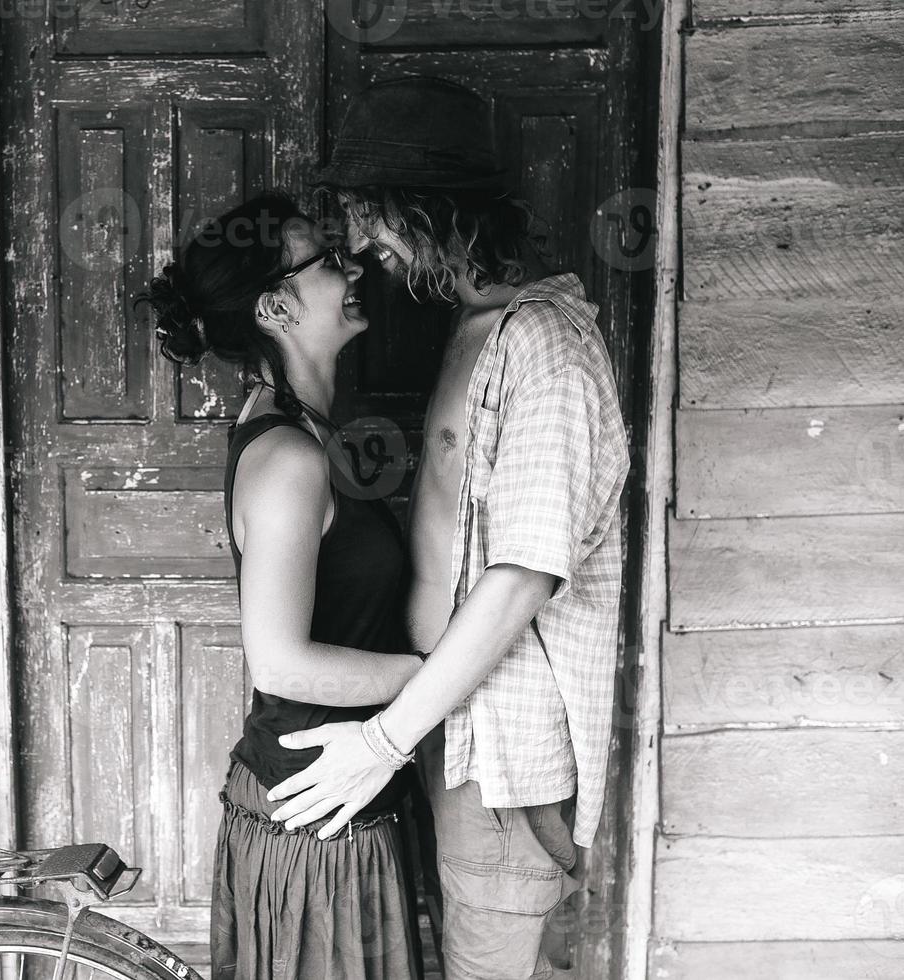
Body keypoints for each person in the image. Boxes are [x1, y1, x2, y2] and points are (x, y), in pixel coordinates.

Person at [264, 77, 631, 980]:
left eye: (370, 215)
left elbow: (522, 578)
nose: (358, 245)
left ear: (427, 213)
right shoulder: (477, 328)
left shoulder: (547, 348)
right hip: (448, 727)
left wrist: (381, 740)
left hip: (502, 754)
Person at [146, 192, 430, 980]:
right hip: (316, 816)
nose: (352, 268)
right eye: (327, 261)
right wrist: (435, 676)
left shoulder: (302, 428)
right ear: (276, 304)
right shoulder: (289, 460)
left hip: (337, 794)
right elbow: (278, 663)